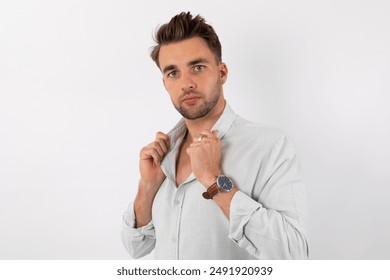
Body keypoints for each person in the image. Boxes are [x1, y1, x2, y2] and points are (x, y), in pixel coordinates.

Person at [121, 12, 309, 260]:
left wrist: (214, 180)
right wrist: (147, 186)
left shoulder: (269, 146)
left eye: (197, 67)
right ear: (165, 83)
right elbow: (136, 247)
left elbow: (294, 254)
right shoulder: (162, 154)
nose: (186, 83)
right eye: (173, 73)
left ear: (222, 73)